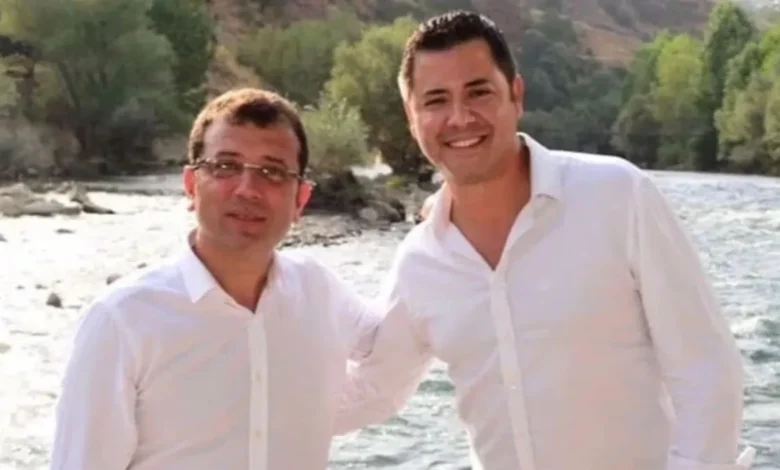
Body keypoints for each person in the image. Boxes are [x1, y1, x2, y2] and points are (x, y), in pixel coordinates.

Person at [336, 10, 756, 470]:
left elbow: (706, 368)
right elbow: (372, 391)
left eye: (479, 92)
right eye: (436, 100)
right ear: (412, 118)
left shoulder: (617, 196)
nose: (459, 117)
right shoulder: (420, 261)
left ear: (516, 94)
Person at [49, 88, 379, 469]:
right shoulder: (122, 322)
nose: (248, 190)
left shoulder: (319, 294)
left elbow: (396, 350)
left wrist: (433, 231)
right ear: (191, 186)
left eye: (273, 172)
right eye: (225, 166)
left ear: (300, 200)